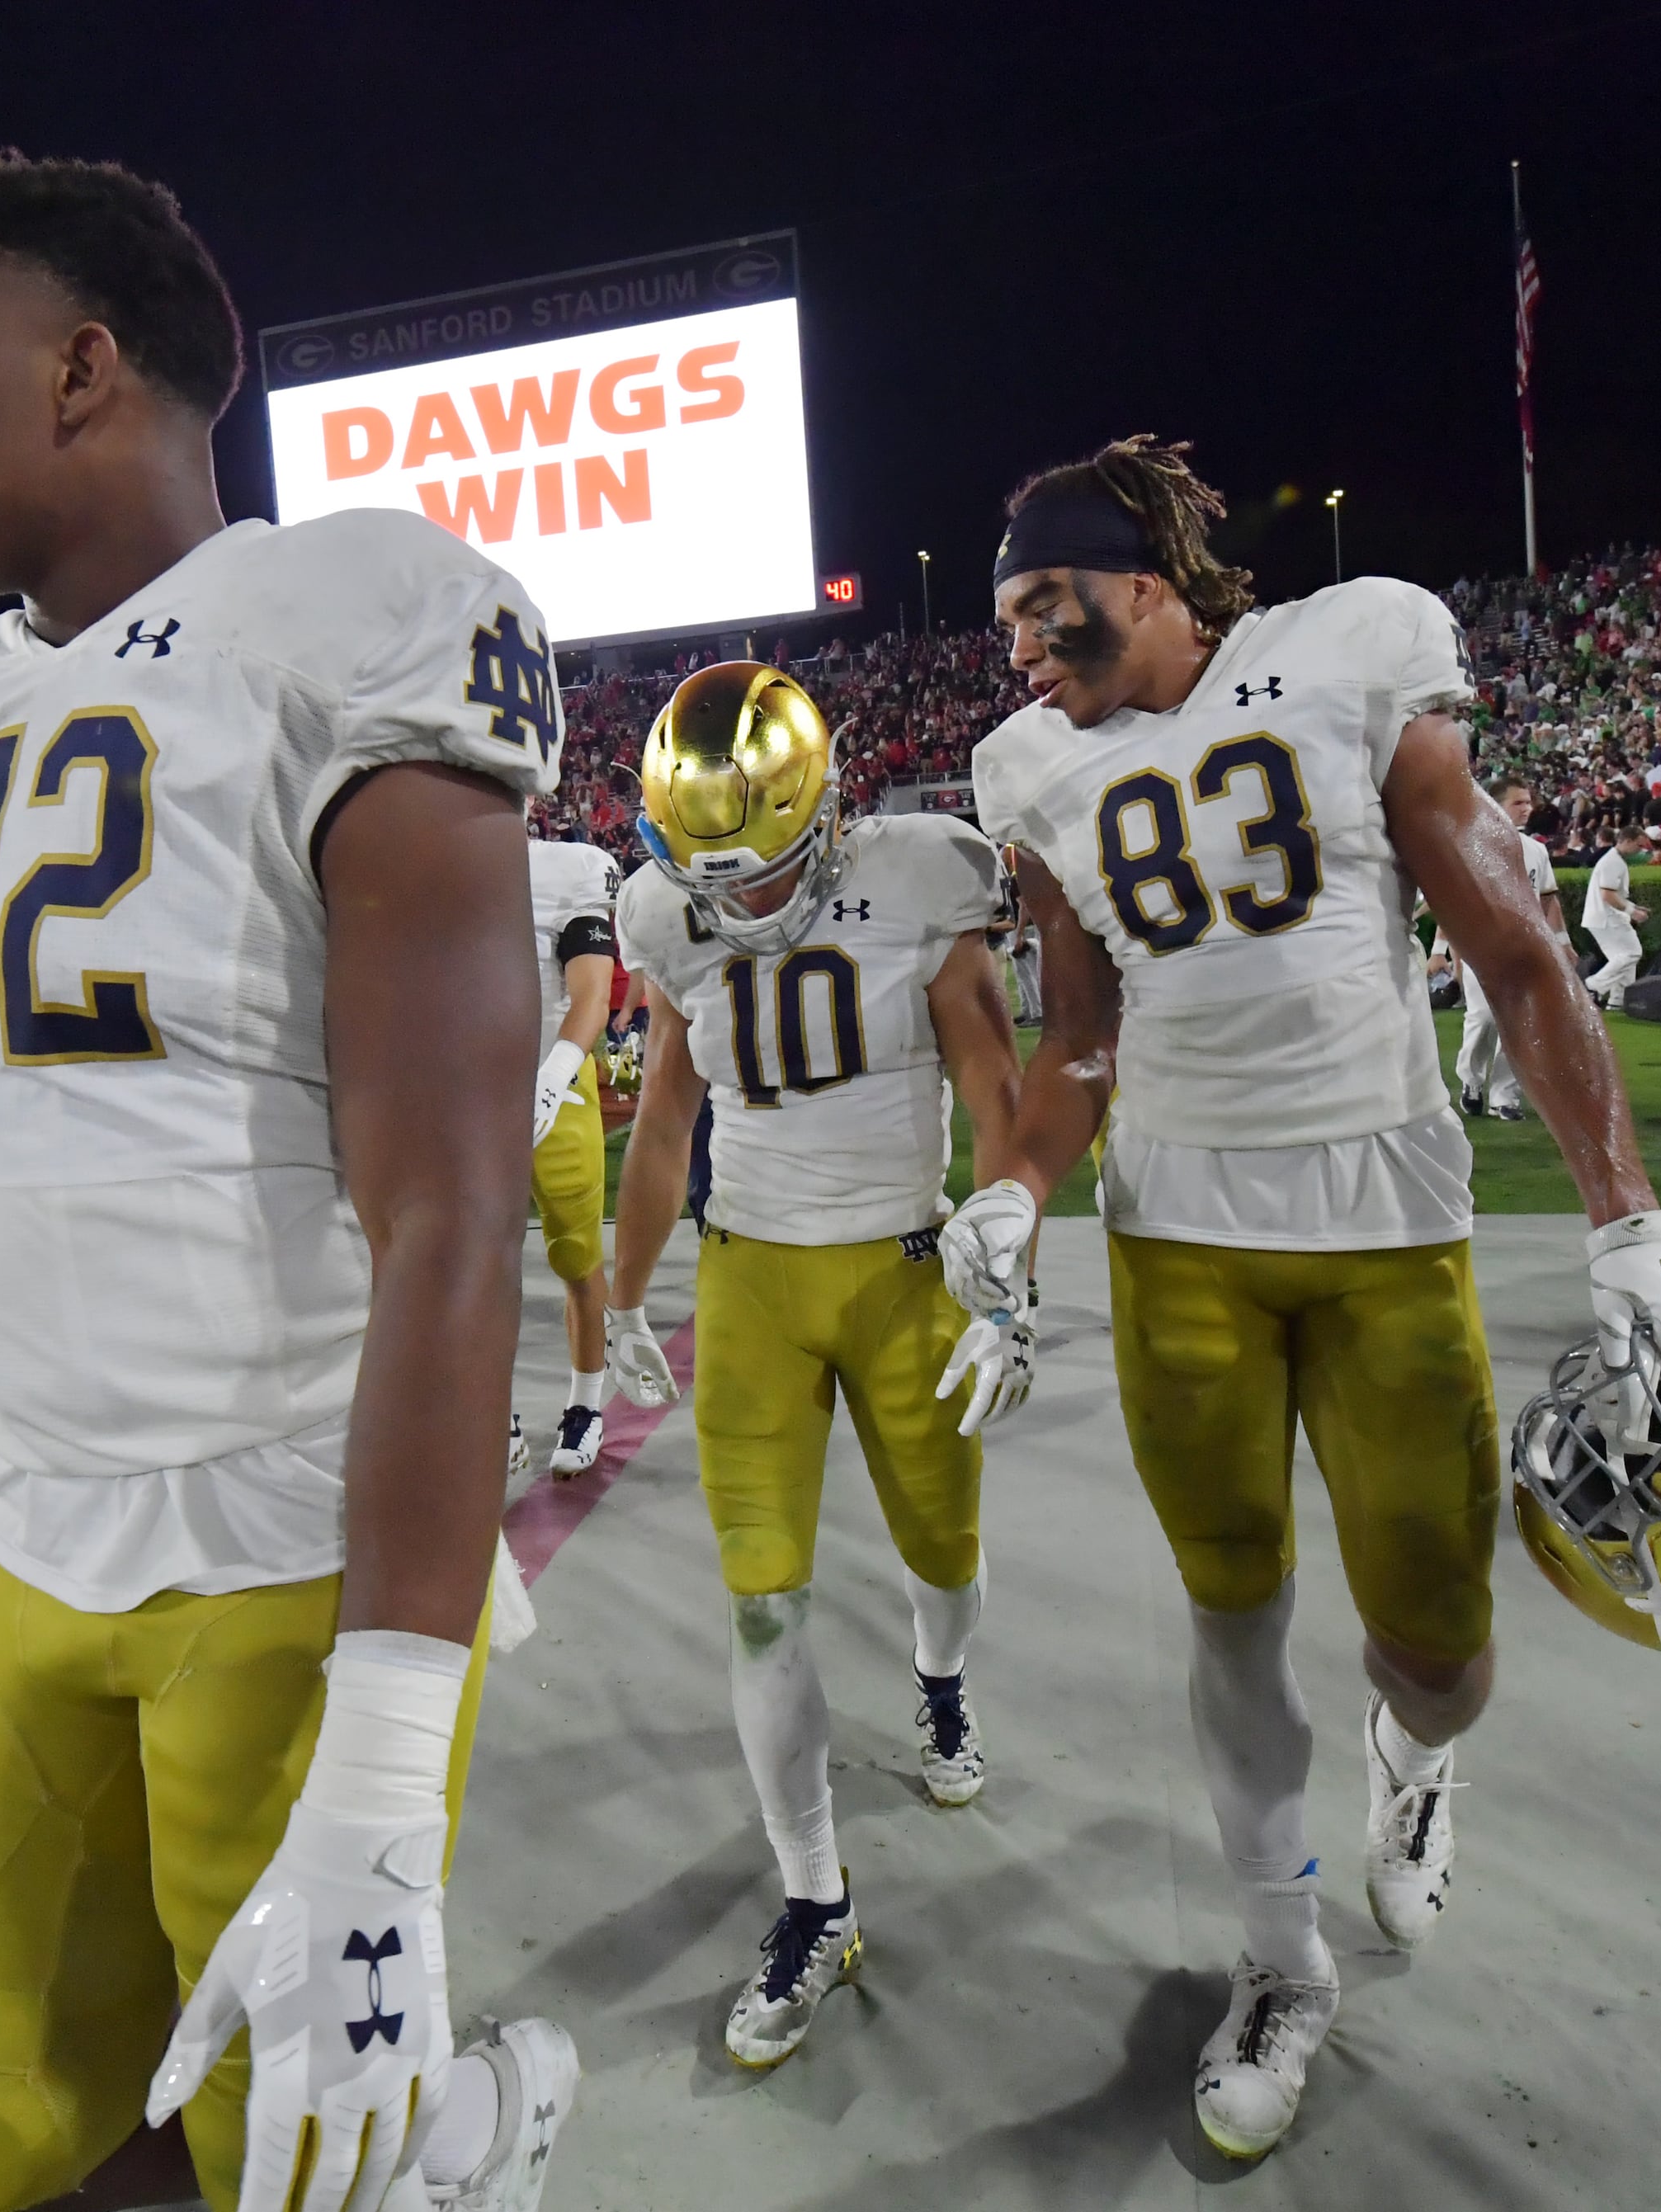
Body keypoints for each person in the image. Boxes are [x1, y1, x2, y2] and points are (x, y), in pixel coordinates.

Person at [0, 153, 573, 2212]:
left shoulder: (346, 611)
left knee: (305, 2159)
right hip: (33, 1545)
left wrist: (380, 1757)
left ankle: (471, 2130)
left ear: (82, 368)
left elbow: (449, 1207)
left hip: (280, 1546)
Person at [960, 437, 1661, 2162]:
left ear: (1147, 584)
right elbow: (1078, 1031)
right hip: (1179, 1236)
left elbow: (1520, 947)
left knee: (1443, 1645)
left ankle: (1414, 1747)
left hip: (1382, 1214)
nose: (1011, 647)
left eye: (1040, 605)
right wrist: (1014, 1192)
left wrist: (1629, 1214)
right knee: (1229, 1609)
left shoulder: (1349, 647)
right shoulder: (1027, 768)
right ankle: (1278, 1956)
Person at [602, 662, 1026, 2068]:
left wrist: (1008, 1247)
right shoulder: (666, 913)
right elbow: (666, 1120)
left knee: (943, 1549)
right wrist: (618, 1293)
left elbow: (988, 1069)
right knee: (763, 1601)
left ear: (831, 811)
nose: (744, 900)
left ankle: (943, 1685)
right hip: (753, 1277)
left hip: (903, 1269)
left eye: (769, 867)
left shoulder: (918, 874)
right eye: (709, 870)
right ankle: (815, 1897)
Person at [527, 823, 622, 1476]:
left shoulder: (565, 869)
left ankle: (587, 1403)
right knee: (473, 1266)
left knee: (576, 1255)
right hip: (463, 1092)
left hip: (554, 1085)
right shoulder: (419, 853)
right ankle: (488, 1412)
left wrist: (553, 1075)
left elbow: (590, 991)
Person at [1450, 777, 1561, 1120]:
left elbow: (1547, 898)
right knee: (1483, 1018)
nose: (1527, 808)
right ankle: (1471, 1081)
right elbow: (1451, 904)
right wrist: (1445, 949)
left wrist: (1559, 943)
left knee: (1518, 1025)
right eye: (1518, 802)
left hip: (1523, 947)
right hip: (1480, 945)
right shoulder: (1469, 843)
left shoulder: (1536, 850)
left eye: (1528, 801)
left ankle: (1505, 1097)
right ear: (1495, 804)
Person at [1582, 825, 1652, 1010]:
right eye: (1639, 845)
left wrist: (1634, 907)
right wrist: (1632, 911)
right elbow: (1607, 894)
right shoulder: (1613, 862)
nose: (1641, 850)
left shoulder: (1614, 860)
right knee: (1632, 953)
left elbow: (1612, 894)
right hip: (1607, 918)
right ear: (1627, 841)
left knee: (1623, 959)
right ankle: (1592, 986)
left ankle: (1618, 1001)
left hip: (1602, 917)